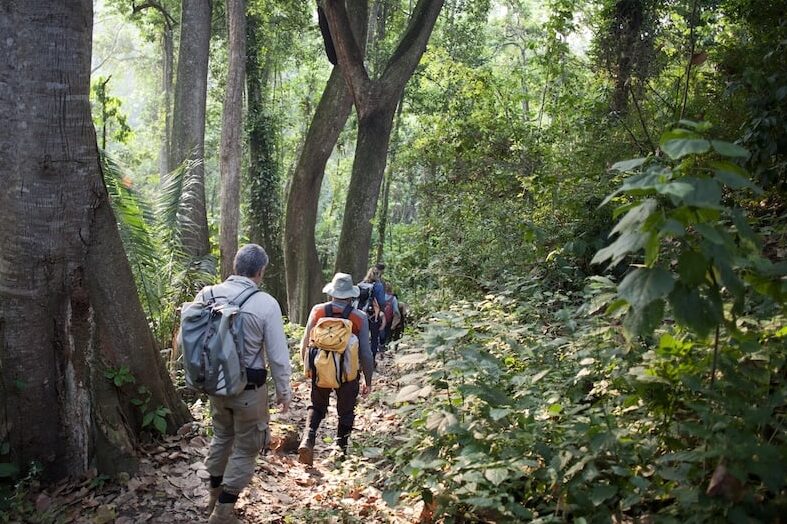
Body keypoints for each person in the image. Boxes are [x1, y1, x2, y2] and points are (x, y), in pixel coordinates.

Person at [195, 244, 292, 524]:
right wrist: (283, 392)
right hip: (249, 391)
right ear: (261, 271)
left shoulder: (207, 294)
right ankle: (222, 512)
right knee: (248, 447)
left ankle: (212, 497)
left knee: (222, 436)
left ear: (235, 266)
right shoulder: (266, 304)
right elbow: (277, 356)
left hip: (215, 386)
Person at [298, 273, 374, 465]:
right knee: (346, 411)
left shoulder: (318, 311)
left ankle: (308, 439)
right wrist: (368, 379)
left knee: (316, 406)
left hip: (320, 368)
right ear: (351, 295)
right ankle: (340, 451)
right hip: (348, 373)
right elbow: (365, 353)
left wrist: (308, 369)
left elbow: (305, 342)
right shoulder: (359, 318)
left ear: (332, 292)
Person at [359, 266, 386, 359]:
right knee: (374, 337)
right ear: (377, 275)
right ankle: (372, 359)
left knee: (361, 337)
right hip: (374, 315)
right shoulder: (378, 285)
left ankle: (359, 359)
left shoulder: (361, 285)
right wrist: (382, 313)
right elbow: (382, 301)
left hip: (361, 314)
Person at [379, 282, 400, 350]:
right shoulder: (393, 298)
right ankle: (386, 345)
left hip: (379, 318)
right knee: (388, 333)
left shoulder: (378, 297)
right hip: (389, 320)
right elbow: (396, 311)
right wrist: (394, 323)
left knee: (380, 333)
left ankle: (380, 345)